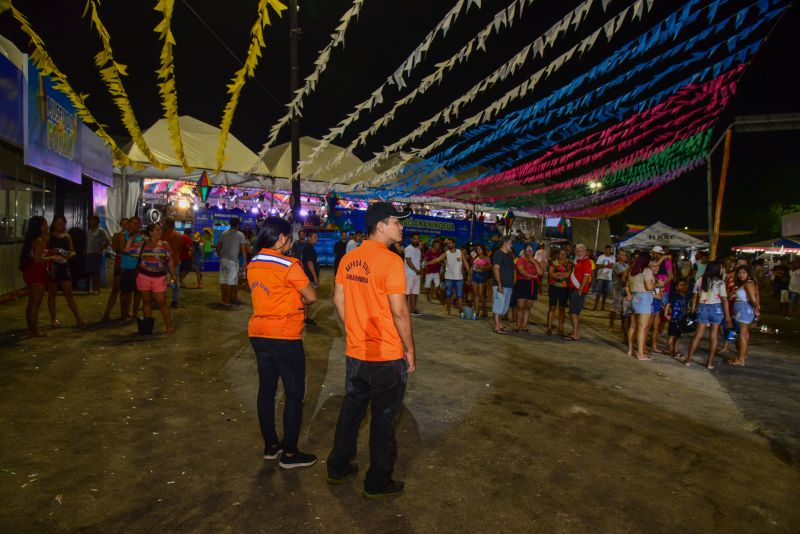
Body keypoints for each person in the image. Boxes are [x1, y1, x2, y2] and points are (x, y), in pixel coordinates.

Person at [328, 202, 415, 499]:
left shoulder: (349, 258)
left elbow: (338, 299)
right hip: (386, 356)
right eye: (397, 222)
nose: (401, 227)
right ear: (381, 225)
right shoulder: (391, 262)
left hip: (357, 351)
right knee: (383, 419)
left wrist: (353, 327)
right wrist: (410, 348)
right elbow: (400, 312)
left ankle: (338, 466)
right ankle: (377, 481)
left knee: (351, 411)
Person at [248, 216, 318, 469]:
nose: (290, 242)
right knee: (294, 393)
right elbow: (311, 296)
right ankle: (289, 453)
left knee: (266, 391)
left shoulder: (254, 262)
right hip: (285, 334)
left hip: (258, 333)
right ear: (281, 239)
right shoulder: (288, 265)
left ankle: (270, 446)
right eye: (288, 237)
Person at [126, 223, 175, 334]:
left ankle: (169, 325)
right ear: (150, 232)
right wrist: (132, 238)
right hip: (144, 276)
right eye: (157, 230)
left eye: (160, 230)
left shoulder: (165, 245)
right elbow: (126, 250)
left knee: (162, 302)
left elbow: (170, 261)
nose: (160, 232)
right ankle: (148, 327)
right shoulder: (142, 245)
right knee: (146, 301)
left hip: (159, 277)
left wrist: (174, 275)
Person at [685, 261, 733, 369]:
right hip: (716, 309)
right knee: (713, 336)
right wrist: (728, 316)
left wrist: (692, 311)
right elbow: (724, 300)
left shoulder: (700, 280)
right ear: (716, 269)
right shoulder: (720, 283)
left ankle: (688, 360)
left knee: (697, 335)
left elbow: (694, 298)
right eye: (721, 268)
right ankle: (710, 363)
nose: (722, 270)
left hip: (702, 308)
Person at [46, 214, 86, 328]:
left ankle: (78, 318)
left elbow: (73, 252)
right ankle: (53, 319)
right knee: (52, 293)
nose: (60, 224)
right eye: (58, 221)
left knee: (68, 293)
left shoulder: (67, 236)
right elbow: (43, 251)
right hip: (52, 266)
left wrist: (66, 256)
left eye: (62, 222)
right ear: (54, 223)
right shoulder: (49, 236)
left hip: (64, 266)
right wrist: (52, 253)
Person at [20, 216, 54, 337]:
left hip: (31, 271)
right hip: (36, 272)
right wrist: (52, 258)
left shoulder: (34, 240)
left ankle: (31, 328)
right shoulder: (38, 241)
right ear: (39, 226)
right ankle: (34, 331)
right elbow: (37, 259)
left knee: (32, 302)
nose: (47, 225)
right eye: (45, 224)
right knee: (35, 303)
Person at [427, 239, 471, 315]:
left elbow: (465, 262)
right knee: (448, 294)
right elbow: (437, 260)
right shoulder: (446, 253)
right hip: (449, 278)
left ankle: (461, 309)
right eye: (447, 244)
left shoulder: (460, 252)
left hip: (459, 278)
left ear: (454, 244)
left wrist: (469, 273)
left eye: (450, 243)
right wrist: (428, 263)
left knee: (460, 294)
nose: (448, 245)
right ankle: (448, 309)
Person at [727, 265, 759, 366]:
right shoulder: (745, 283)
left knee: (742, 335)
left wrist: (756, 311)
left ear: (748, 274)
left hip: (744, 310)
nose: (741, 275)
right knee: (743, 334)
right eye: (739, 273)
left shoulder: (749, 283)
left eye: (743, 273)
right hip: (742, 309)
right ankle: (742, 355)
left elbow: (753, 300)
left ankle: (741, 359)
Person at [626, 253, 655, 360]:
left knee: (633, 326)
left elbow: (628, 286)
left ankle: (630, 350)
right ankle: (640, 353)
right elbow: (649, 287)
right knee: (642, 328)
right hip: (644, 299)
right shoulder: (646, 271)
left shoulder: (632, 272)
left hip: (634, 298)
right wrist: (658, 284)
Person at [216, 217, 248, 307]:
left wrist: (221, 255)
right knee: (230, 282)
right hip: (233, 261)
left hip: (223, 260)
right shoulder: (240, 234)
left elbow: (218, 247)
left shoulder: (223, 233)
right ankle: (227, 301)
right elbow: (243, 250)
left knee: (223, 281)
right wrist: (245, 262)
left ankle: (223, 300)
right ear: (238, 225)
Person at [564, 243, 592, 341]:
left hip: (578, 290)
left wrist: (580, 289)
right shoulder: (579, 261)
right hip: (574, 289)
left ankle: (575, 334)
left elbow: (586, 276)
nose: (579, 252)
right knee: (575, 312)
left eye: (581, 250)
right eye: (577, 250)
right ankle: (575, 332)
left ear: (585, 251)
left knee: (574, 312)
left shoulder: (586, 262)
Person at [512, 244, 543, 332]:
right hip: (522, 284)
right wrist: (534, 276)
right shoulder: (520, 260)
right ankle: (518, 325)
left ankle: (524, 325)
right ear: (525, 251)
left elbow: (540, 273)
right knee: (521, 306)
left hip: (532, 285)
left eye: (531, 250)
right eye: (528, 250)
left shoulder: (535, 261)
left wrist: (533, 261)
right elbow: (522, 272)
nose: (530, 251)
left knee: (528, 306)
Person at [102, 218, 127, 321]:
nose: (126, 225)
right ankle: (107, 313)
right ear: (121, 225)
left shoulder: (131, 236)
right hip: (120, 262)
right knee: (116, 289)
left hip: (128, 263)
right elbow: (117, 248)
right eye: (124, 224)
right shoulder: (117, 235)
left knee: (126, 290)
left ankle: (124, 313)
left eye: (128, 224)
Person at [648, 246, 672, 354]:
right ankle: (646, 344)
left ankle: (652, 345)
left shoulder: (666, 262)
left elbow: (670, 277)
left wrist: (661, 287)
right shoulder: (654, 262)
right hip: (656, 289)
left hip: (660, 290)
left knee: (656, 321)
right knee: (650, 321)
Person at [119, 217, 143, 320]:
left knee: (138, 292)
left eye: (137, 223)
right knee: (125, 292)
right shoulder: (122, 235)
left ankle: (135, 314)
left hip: (139, 267)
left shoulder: (142, 237)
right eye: (133, 222)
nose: (135, 225)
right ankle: (123, 314)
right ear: (129, 224)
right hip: (127, 267)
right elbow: (124, 250)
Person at [490, 236, 515, 334]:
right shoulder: (498, 254)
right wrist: (500, 284)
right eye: (510, 243)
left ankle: (500, 324)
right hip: (501, 285)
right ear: (504, 243)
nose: (511, 245)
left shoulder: (509, 256)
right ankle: (496, 327)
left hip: (508, 285)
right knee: (498, 305)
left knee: (504, 307)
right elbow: (496, 269)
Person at [546, 248, 571, 336]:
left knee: (562, 308)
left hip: (564, 288)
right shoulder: (554, 262)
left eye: (565, 254)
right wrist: (562, 275)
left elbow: (568, 275)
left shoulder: (569, 263)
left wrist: (557, 274)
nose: (564, 256)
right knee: (552, 307)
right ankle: (549, 328)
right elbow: (551, 274)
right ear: (558, 255)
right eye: (562, 254)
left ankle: (560, 329)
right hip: (554, 287)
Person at [664, 279, 691, 360]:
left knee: (678, 336)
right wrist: (665, 314)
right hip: (674, 319)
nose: (683, 286)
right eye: (681, 285)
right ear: (677, 287)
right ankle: (670, 351)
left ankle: (676, 350)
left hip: (682, 319)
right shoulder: (675, 295)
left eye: (685, 285)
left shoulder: (686, 296)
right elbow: (669, 304)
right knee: (671, 335)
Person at [162, 219, 185, 309]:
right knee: (175, 281)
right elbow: (180, 248)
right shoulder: (179, 235)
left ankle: (161, 298)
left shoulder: (163, 235)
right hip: (175, 260)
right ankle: (175, 301)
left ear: (166, 224)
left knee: (160, 281)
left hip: (164, 261)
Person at [86, 215, 110, 294]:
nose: (91, 222)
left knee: (96, 272)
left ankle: (97, 289)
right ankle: (92, 288)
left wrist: (100, 250)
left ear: (97, 221)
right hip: (89, 253)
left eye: (93, 220)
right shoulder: (89, 230)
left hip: (96, 254)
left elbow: (107, 241)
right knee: (91, 272)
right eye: (90, 220)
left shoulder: (101, 230)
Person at [301, 232, 320, 326]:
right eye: (314, 237)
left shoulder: (310, 248)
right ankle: (297, 306)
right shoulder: (308, 248)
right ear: (309, 238)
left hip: (309, 276)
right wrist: (315, 277)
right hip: (309, 277)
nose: (317, 238)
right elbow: (309, 263)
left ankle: (305, 317)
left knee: (307, 298)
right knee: (310, 298)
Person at [610, 249, 629, 336]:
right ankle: (611, 325)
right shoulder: (616, 265)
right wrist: (630, 269)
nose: (624, 256)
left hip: (624, 289)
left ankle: (622, 325)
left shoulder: (626, 265)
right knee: (614, 308)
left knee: (623, 309)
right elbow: (622, 275)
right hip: (617, 288)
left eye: (625, 255)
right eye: (622, 255)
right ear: (618, 256)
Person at [403, 233, 423, 316]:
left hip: (416, 274)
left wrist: (420, 271)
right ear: (411, 239)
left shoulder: (418, 250)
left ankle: (413, 310)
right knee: (407, 292)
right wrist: (416, 270)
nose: (416, 240)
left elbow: (418, 261)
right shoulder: (409, 249)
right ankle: (403, 310)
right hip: (409, 274)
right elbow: (408, 261)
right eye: (415, 239)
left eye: (418, 239)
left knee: (415, 292)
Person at [471, 244, 491, 318]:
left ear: (483, 250)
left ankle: (485, 311)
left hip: (481, 276)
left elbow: (489, 267)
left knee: (481, 294)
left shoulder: (486, 258)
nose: (478, 251)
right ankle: (477, 311)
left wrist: (481, 267)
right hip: (474, 275)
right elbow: (472, 266)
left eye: (480, 249)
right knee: (475, 294)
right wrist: (469, 275)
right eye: (477, 249)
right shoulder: (475, 257)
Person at [592, 245, 615, 310]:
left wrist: (603, 265)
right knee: (598, 292)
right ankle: (595, 306)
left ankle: (603, 306)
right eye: (606, 249)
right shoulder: (601, 257)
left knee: (605, 293)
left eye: (609, 249)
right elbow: (597, 266)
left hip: (608, 277)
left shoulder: (613, 258)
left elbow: (613, 266)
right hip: (600, 276)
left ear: (611, 250)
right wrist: (606, 266)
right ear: (604, 250)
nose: (608, 251)